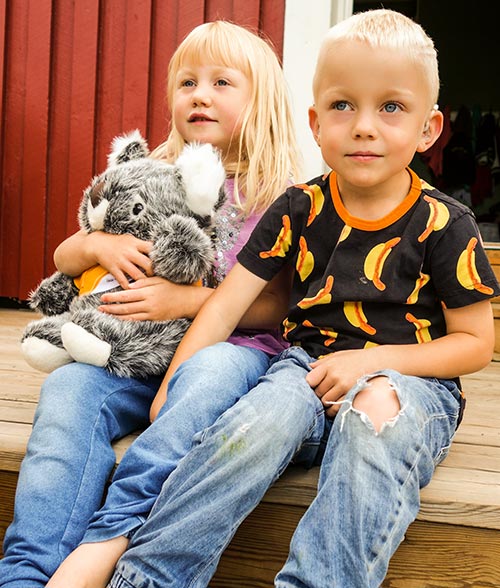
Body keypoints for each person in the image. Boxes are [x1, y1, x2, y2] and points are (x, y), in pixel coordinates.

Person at [51, 8, 500, 588]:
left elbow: (475, 344)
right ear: (315, 121)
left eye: (391, 107)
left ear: (429, 129)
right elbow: (225, 305)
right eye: (343, 105)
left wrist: (369, 363)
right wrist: (172, 385)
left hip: (409, 384)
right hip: (303, 370)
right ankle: (148, 577)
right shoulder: (298, 208)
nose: (364, 127)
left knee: (376, 412)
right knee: (252, 425)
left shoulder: (446, 224)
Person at [0, 21, 301, 588]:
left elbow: (277, 309)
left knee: (208, 373)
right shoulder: (153, 173)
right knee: (68, 390)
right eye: (187, 82)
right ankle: (27, 571)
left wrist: (188, 300)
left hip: (233, 355)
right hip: (136, 356)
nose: (200, 95)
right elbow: (65, 256)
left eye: (221, 82)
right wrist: (98, 245)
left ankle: (109, 538)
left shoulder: (278, 195)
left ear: (260, 100)